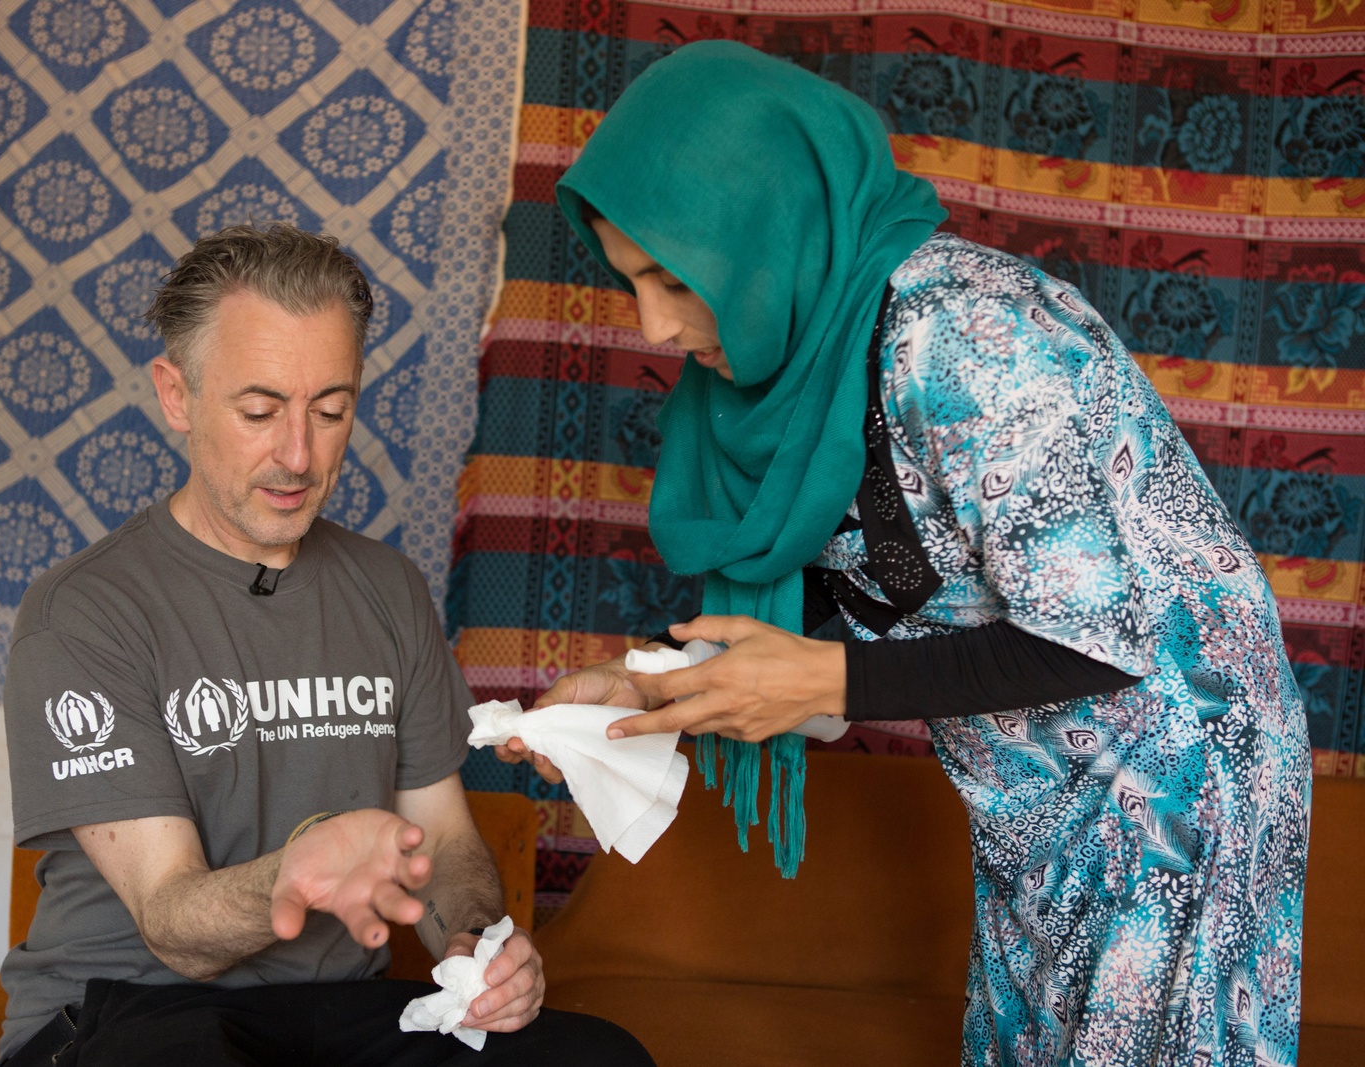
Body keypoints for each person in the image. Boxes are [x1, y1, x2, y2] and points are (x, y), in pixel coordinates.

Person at [493, 41, 1310, 1067]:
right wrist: (642, 679)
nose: (657, 326)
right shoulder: (795, 357)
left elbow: (1102, 630)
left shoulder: (973, 332)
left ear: (771, 232)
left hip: (1176, 777)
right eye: (631, 285)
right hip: (1025, 787)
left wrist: (823, 680)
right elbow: (842, 585)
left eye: (676, 279)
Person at [0, 224, 652, 1067]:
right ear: (176, 395)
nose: (299, 454)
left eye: (331, 409)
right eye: (260, 410)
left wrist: (480, 947)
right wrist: (292, 875)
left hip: (336, 1013)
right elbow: (171, 925)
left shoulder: (387, 588)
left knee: (600, 1060)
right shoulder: (84, 612)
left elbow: (446, 840)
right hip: (132, 1013)